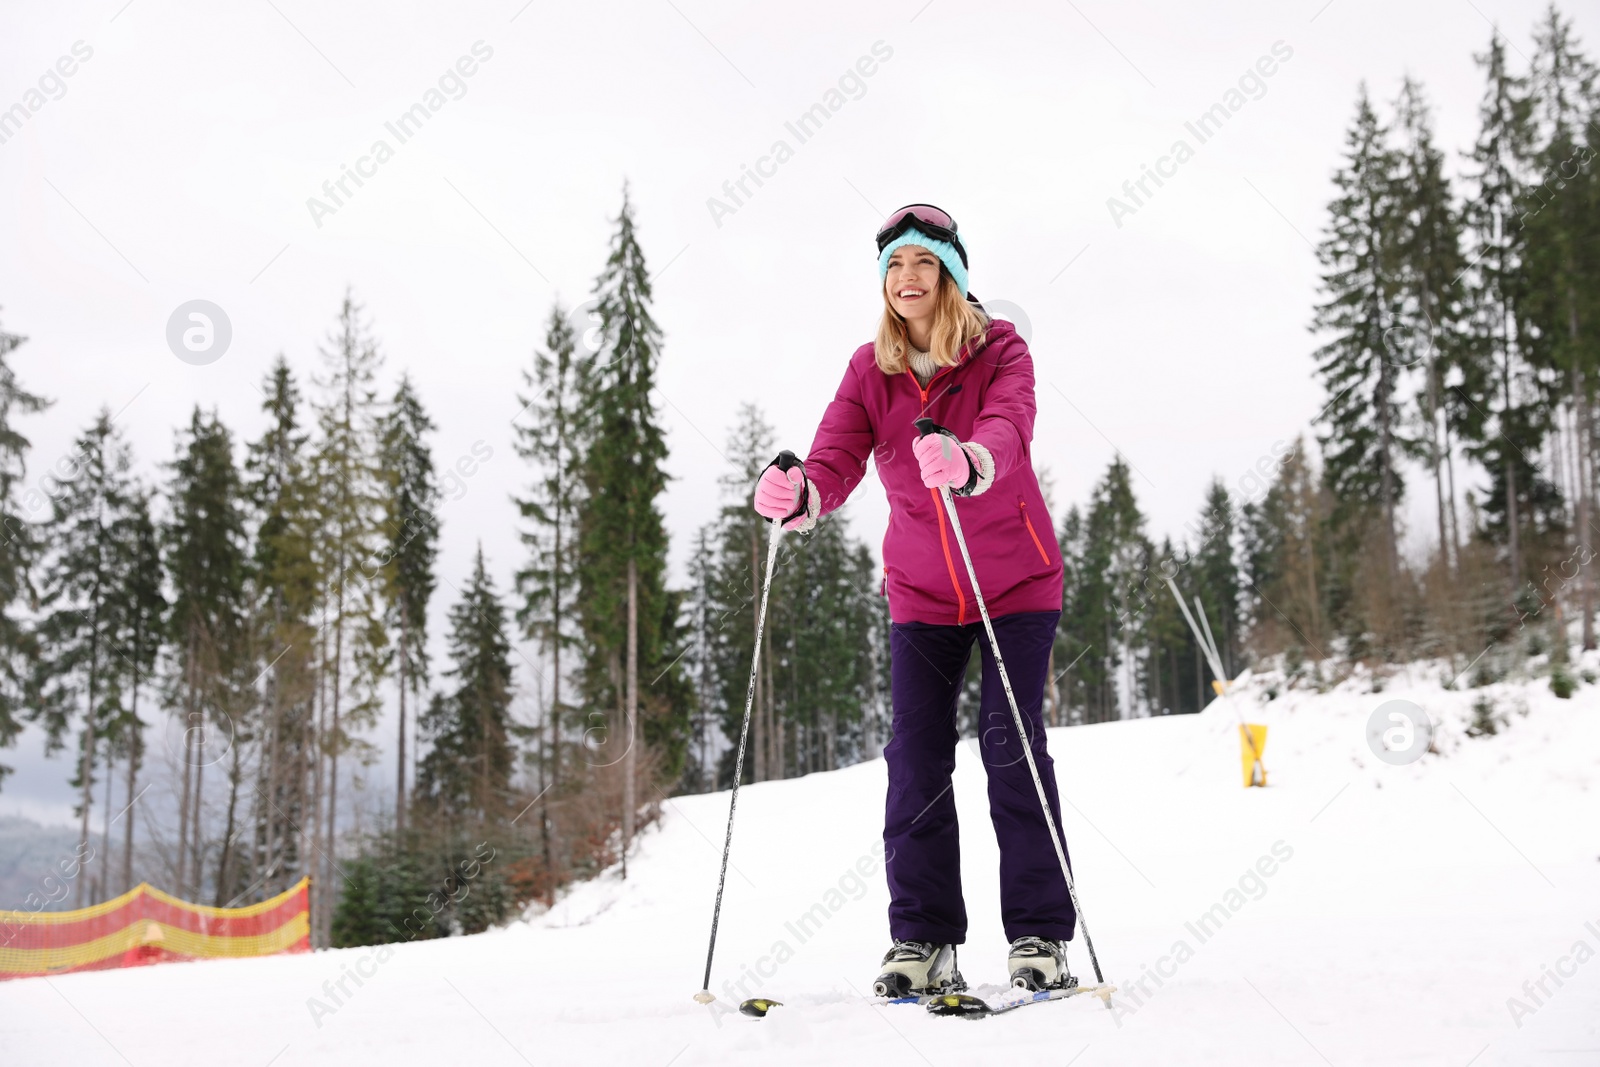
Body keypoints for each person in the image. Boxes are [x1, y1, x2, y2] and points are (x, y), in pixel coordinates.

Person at [751, 204, 1077, 996]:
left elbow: (1010, 425)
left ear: (953, 276)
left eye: (924, 264)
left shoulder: (1001, 351)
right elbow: (836, 454)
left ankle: (1040, 932)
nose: (907, 279)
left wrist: (970, 460)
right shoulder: (870, 368)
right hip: (923, 595)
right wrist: (802, 494)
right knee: (916, 759)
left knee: (1009, 744)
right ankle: (923, 938)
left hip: (1014, 584)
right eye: (895, 266)